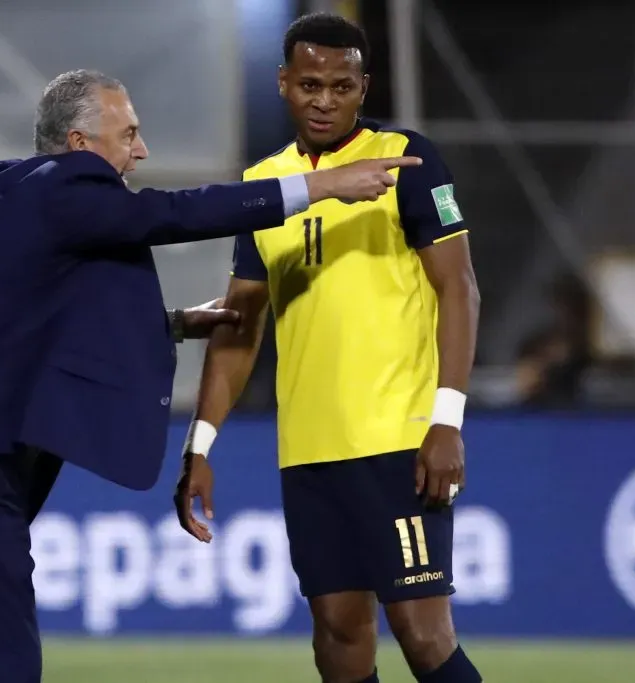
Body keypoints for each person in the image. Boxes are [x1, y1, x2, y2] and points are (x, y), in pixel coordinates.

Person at [0, 67, 422, 683]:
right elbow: (174, 214)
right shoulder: (63, 187)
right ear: (81, 147)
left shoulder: (18, 193)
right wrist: (320, 185)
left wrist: (175, 323)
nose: (141, 150)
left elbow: (33, 319)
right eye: (129, 134)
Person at [174, 14, 482, 683]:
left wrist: (446, 419)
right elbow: (240, 325)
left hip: (399, 440)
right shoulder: (267, 186)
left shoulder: (408, 159)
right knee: (338, 639)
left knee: (423, 633)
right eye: (310, 84)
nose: (324, 99)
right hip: (310, 450)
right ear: (284, 83)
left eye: (341, 86)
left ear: (362, 86)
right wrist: (200, 444)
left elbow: (459, 289)